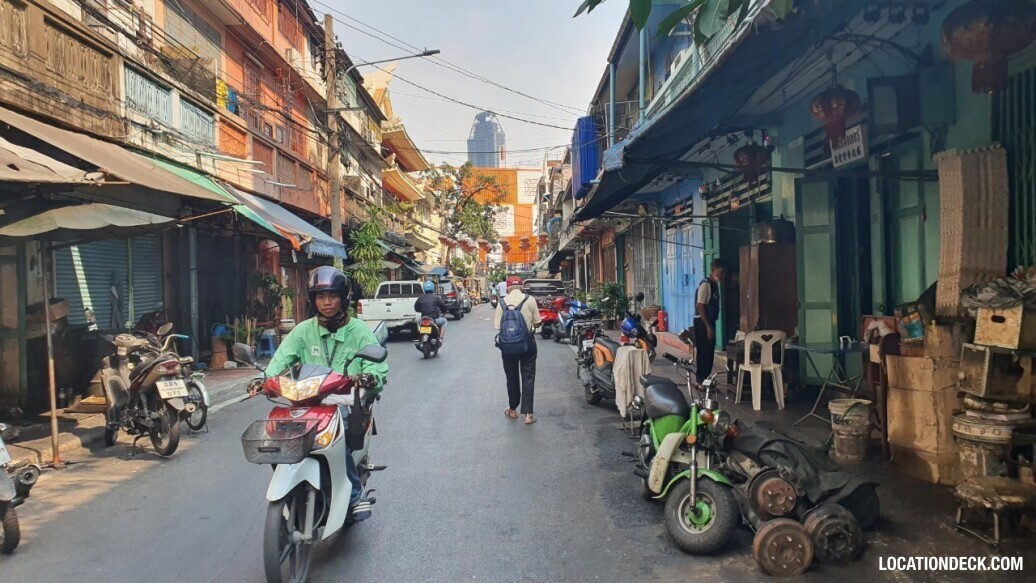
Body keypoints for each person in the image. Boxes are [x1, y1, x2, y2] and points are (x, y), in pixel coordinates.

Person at [250, 266, 387, 521]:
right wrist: (262, 380)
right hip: (308, 399)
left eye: (332, 296)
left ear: (343, 298)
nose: (327, 302)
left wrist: (369, 377)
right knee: (279, 434)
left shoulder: (358, 331)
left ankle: (355, 493)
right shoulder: (303, 330)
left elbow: (376, 366)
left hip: (345, 400)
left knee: (339, 433)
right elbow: (279, 361)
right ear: (312, 300)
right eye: (320, 297)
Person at [493, 275, 541, 425]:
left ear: (508, 288)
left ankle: (512, 409)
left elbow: (497, 326)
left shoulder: (502, 303)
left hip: (508, 346)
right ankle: (528, 415)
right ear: (521, 286)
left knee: (511, 377)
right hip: (527, 344)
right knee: (528, 376)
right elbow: (538, 323)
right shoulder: (530, 299)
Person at [694, 259, 725, 384]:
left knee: (708, 353)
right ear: (713, 271)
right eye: (720, 273)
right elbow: (700, 306)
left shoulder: (714, 284)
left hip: (708, 321)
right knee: (705, 353)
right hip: (703, 322)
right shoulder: (706, 285)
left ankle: (702, 380)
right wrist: (708, 326)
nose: (722, 276)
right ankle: (700, 380)